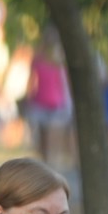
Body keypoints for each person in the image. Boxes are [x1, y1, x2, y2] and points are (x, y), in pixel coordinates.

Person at [24, 26, 72, 166]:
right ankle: (45, 163)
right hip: (40, 101)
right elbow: (32, 80)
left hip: (57, 102)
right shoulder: (37, 58)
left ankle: (53, 162)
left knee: (54, 135)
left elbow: (65, 82)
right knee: (42, 137)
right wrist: (29, 97)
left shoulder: (61, 60)